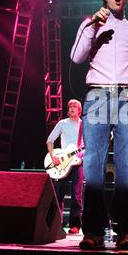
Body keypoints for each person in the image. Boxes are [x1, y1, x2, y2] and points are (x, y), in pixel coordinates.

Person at [70, 0, 128, 250]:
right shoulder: (90, 25)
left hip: (127, 99)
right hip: (97, 95)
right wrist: (93, 26)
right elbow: (76, 57)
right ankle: (92, 231)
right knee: (93, 165)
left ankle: (126, 232)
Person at [46, 99, 84, 235]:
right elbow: (50, 140)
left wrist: (81, 156)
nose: (72, 108)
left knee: (76, 194)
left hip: (77, 163)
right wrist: (52, 156)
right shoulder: (63, 123)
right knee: (58, 194)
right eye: (70, 106)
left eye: (75, 106)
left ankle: (75, 225)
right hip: (62, 163)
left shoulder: (84, 125)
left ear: (79, 110)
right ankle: (56, 223)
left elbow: (88, 144)